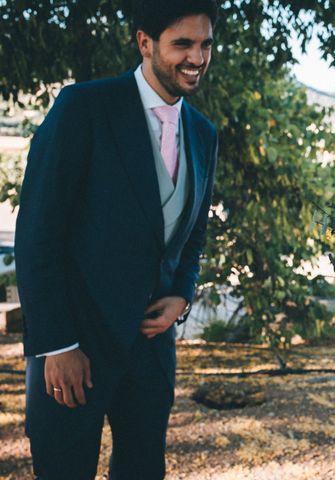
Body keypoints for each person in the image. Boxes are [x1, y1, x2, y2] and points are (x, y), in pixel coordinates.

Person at [15, 1, 219, 478]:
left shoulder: (204, 134)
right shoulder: (84, 108)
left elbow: (193, 236)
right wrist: (57, 345)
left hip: (150, 355)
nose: (198, 57)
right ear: (144, 42)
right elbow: (38, 234)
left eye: (206, 43)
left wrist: (181, 296)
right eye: (182, 44)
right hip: (74, 352)